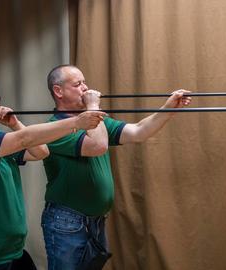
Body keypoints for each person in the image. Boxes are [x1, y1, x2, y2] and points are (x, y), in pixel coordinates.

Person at [0, 77, 105, 270]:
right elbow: (23, 139)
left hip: (11, 253)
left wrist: (14, 123)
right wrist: (76, 122)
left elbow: (41, 151)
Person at [42, 65, 192, 269]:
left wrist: (168, 109)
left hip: (94, 221)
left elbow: (139, 132)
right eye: (78, 84)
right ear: (58, 91)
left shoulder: (95, 123)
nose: (85, 89)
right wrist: (93, 106)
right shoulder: (54, 129)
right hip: (66, 221)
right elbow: (98, 146)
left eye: (84, 82)